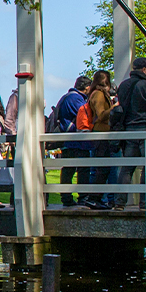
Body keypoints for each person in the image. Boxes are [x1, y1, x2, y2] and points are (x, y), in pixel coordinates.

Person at [111, 57, 146, 209]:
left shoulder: (123, 86)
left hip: (130, 130)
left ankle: (119, 202)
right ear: (144, 69)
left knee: (128, 168)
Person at [51, 78, 90, 207]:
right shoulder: (75, 99)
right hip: (75, 140)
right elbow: (86, 114)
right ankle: (79, 197)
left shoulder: (68, 97)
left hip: (69, 139)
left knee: (69, 168)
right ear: (87, 87)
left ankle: (67, 197)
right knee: (80, 168)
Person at [84, 70, 115, 209]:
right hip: (101, 133)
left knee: (103, 167)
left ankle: (97, 198)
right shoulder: (98, 94)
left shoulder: (97, 94)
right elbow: (101, 115)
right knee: (102, 168)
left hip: (102, 133)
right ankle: (94, 198)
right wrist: (115, 106)